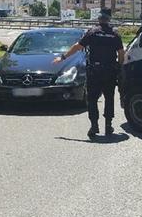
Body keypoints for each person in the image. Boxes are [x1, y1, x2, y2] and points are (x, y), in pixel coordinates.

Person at [53, 9, 124, 138]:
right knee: (109, 98)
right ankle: (108, 126)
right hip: (109, 71)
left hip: (94, 71)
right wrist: (119, 67)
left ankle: (94, 126)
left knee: (92, 99)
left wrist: (62, 58)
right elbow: (121, 53)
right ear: (109, 19)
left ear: (99, 19)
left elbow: (77, 47)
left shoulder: (92, 32)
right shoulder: (115, 34)